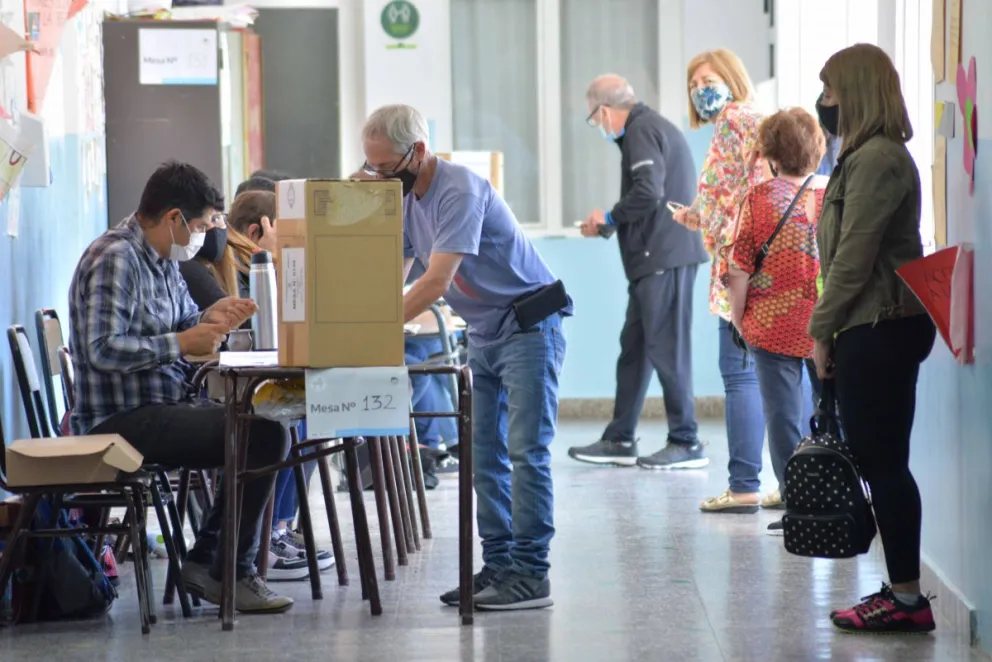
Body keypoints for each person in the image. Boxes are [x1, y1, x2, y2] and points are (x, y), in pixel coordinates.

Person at [361, 104, 571, 610]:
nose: (380, 178)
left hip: (529, 327)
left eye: (385, 168)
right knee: (485, 458)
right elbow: (396, 269)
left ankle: (531, 574)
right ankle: (498, 565)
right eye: (372, 168)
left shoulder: (460, 189)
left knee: (526, 453)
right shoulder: (408, 200)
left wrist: (370, 330)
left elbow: (436, 281)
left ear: (418, 151)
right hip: (485, 333)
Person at [68, 161, 293, 613]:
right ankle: (228, 570)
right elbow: (100, 350)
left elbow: (182, 320)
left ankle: (210, 560)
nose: (203, 235)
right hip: (119, 422)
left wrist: (211, 317)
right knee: (265, 435)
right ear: (174, 218)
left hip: (161, 404)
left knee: (263, 423)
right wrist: (182, 343)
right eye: (201, 226)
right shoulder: (116, 259)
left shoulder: (163, 258)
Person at [811, 44, 936, 634]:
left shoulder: (879, 160)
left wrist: (820, 329)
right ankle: (902, 592)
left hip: (881, 325)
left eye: (830, 91)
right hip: (869, 324)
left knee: (884, 463)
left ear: (856, 93)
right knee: (881, 460)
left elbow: (853, 258)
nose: (823, 102)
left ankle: (907, 601)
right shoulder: (859, 159)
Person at [566, 75, 709, 470]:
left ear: (604, 111)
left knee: (668, 350)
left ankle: (686, 441)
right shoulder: (648, 128)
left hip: (663, 258)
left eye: (594, 118)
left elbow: (649, 192)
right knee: (635, 350)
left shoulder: (642, 130)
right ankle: (620, 438)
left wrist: (610, 216)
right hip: (653, 260)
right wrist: (608, 224)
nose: (598, 125)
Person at [670, 48, 771, 513]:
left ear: (732, 78)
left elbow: (752, 187)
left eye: (708, 81)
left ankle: (744, 485)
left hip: (742, 264)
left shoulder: (737, 118)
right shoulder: (739, 122)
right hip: (748, 257)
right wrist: (699, 214)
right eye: (694, 85)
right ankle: (783, 481)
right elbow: (731, 190)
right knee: (770, 373)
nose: (700, 91)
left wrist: (714, 219)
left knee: (740, 374)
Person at [724, 108, 826, 528]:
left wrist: (737, 318)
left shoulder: (760, 199)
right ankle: (842, 496)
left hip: (772, 324)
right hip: (829, 323)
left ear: (770, 154)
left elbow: (739, 268)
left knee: (783, 418)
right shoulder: (832, 194)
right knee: (833, 411)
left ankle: (798, 504)